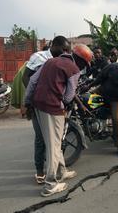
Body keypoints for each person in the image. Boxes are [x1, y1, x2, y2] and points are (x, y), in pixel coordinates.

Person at [29, 44, 93, 197]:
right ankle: (50, 185)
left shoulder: (50, 61)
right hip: (52, 108)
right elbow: (70, 95)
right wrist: (63, 104)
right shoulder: (74, 69)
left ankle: (61, 171)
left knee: (55, 142)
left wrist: (26, 102)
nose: (84, 67)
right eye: (85, 63)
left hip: (38, 104)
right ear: (81, 61)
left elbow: (32, 81)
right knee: (53, 145)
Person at [23, 36, 71, 184]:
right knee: (41, 138)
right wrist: (31, 100)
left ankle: (60, 170)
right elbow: (26, 78)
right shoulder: (39, 57)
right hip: (39, 103)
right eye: (63, 49)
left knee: (55, 139)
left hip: (54, 104)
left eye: (67, 50)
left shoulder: (63, 61)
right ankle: (40, 171)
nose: (65, 52)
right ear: (54, 45)